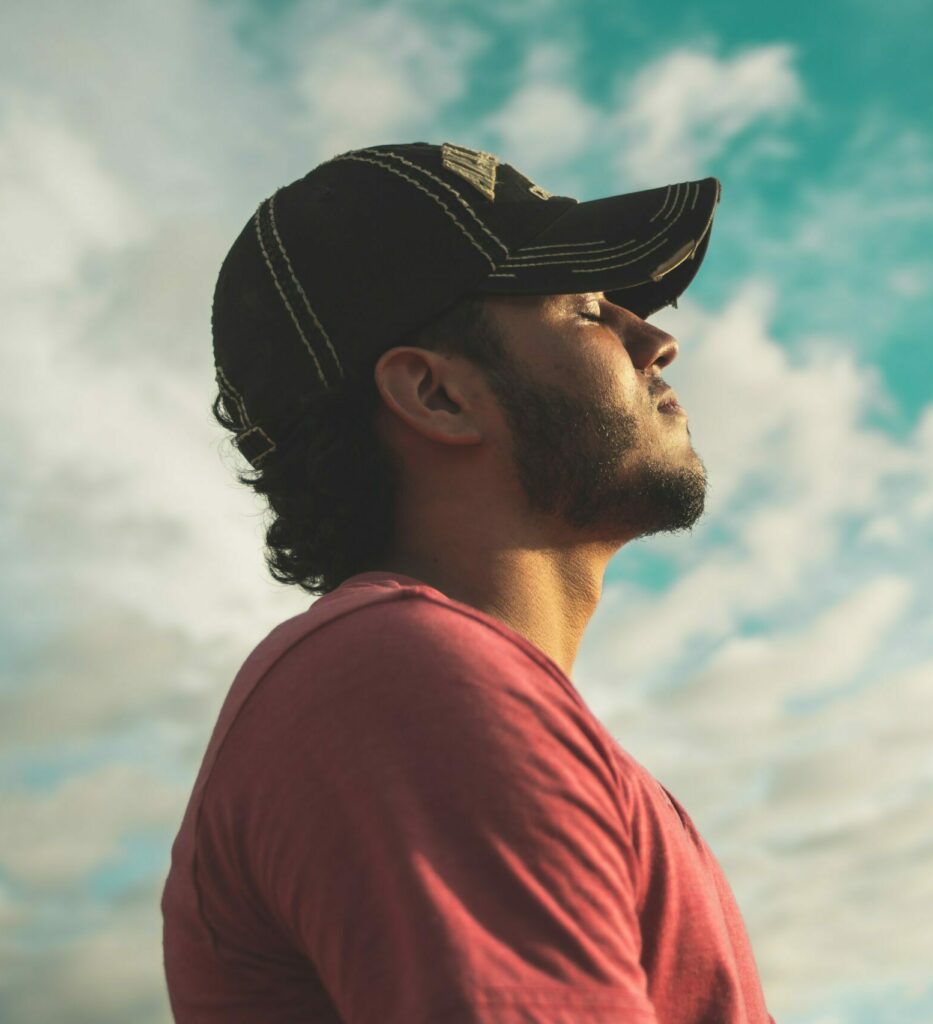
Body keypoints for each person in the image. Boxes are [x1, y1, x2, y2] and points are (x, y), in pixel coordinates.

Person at [161, 141, 776, 1023]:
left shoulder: (431, 687)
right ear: (436, 396)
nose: (656, 338)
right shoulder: (404, 681)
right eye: (583, 308)